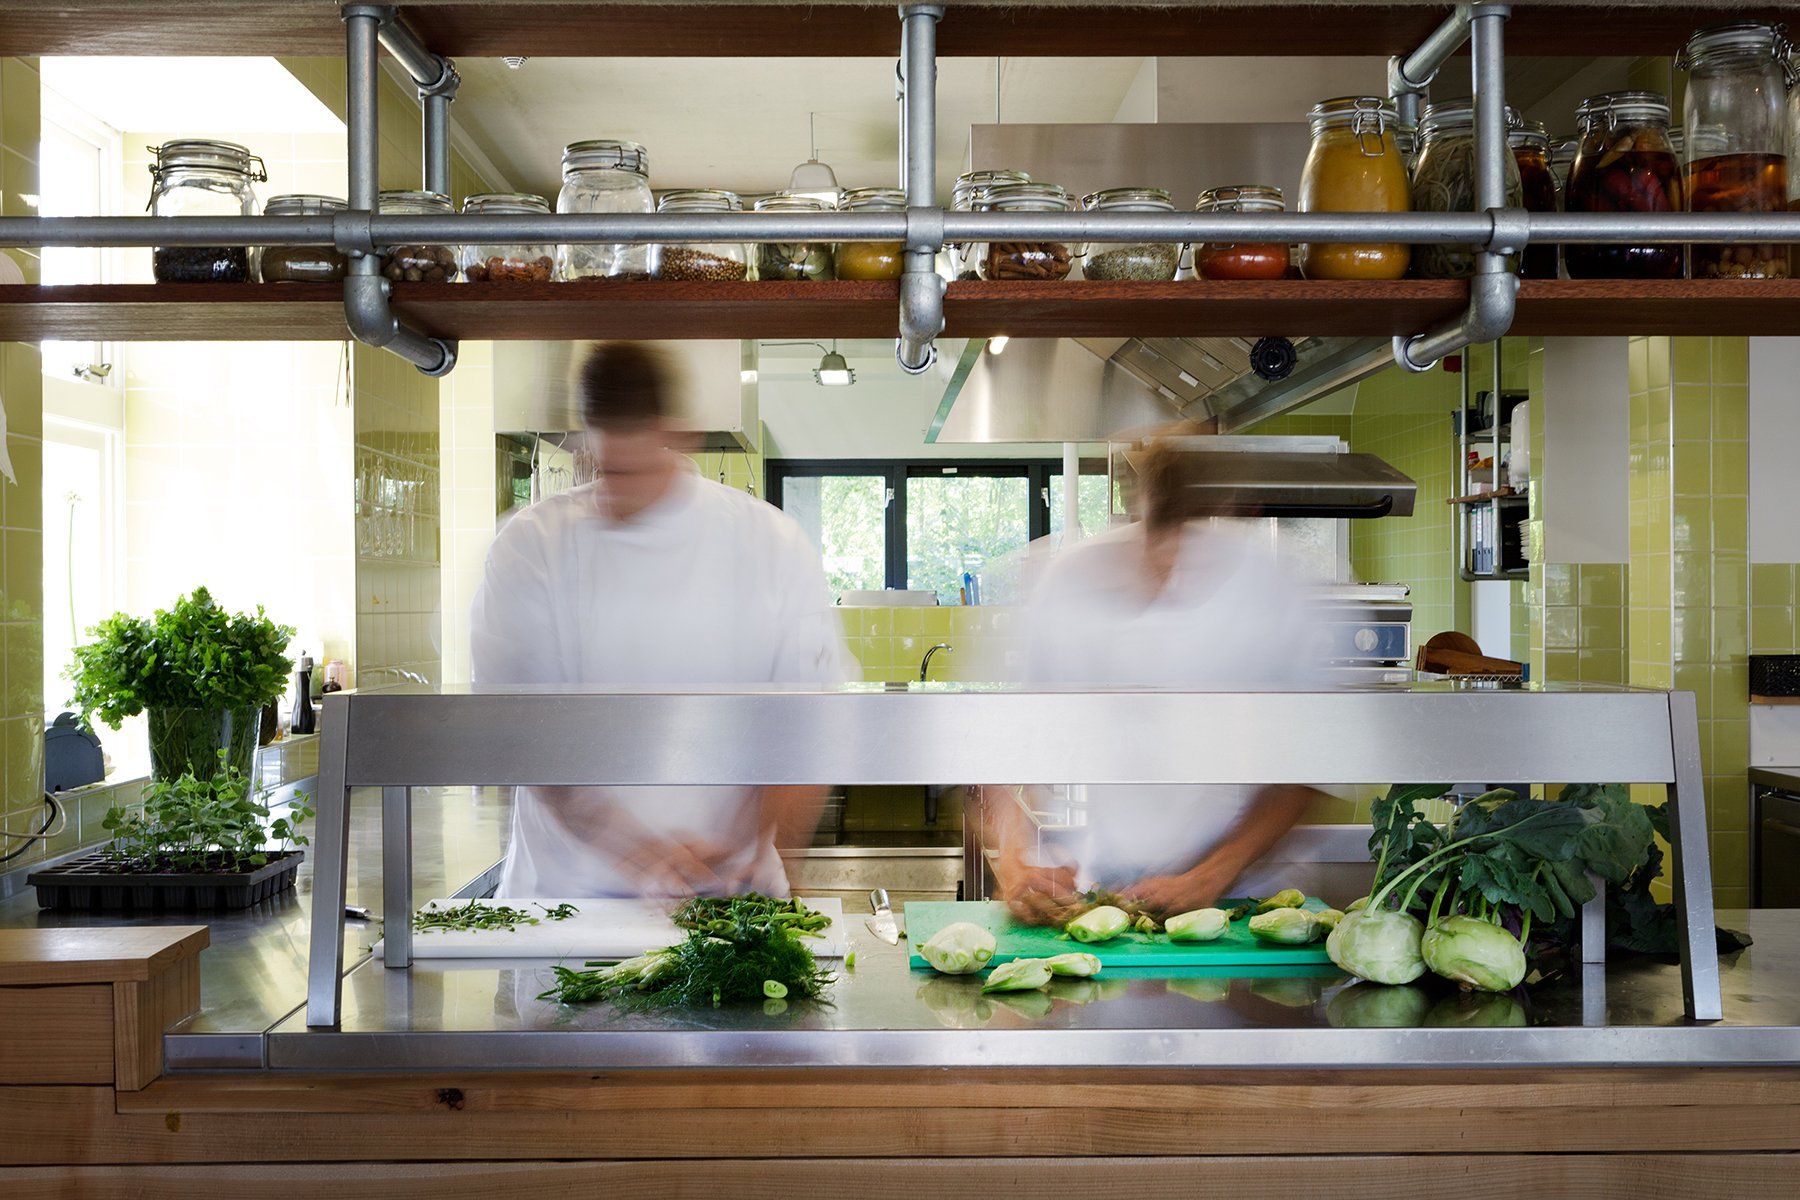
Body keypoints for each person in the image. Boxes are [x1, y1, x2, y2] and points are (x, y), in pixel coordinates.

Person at [470, 342, 853, 898]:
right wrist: (641, 855)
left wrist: (751, 840)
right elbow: (520, 735)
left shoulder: (771, 544)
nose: (621, 494)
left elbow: (812, 726)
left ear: (679, 434)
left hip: (728, 898)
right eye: (608, 470)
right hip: (566, 908)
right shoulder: (530, 548)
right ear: (585, 444)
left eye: (639, 468)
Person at [991, 438, 1342, 922]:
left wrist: (1212, 875)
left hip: (1244, 902)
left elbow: (1311, 762)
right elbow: (1001, 737)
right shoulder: (1070, 578)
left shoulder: (1267, 584)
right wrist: (1013, 859)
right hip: (1103, 887)